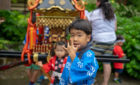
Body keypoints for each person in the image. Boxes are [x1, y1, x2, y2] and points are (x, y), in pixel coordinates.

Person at [86, 0, 117, 85]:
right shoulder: (112, 14)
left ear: (99, 2)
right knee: (107, 62)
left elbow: (87, 25)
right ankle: (105, 83)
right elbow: (115, 29)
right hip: (111, 41)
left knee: (90, 59)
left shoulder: (94, 13)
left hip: (99, 40)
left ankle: (90, 81)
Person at [59, 19, 99, 85]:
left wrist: (73, 57)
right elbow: (65, 75)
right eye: (72, 35)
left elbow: (84, 72)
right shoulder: (73, 52)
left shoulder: (89, 54)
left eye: (79, 35)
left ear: (88, 38)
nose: (75, 39)